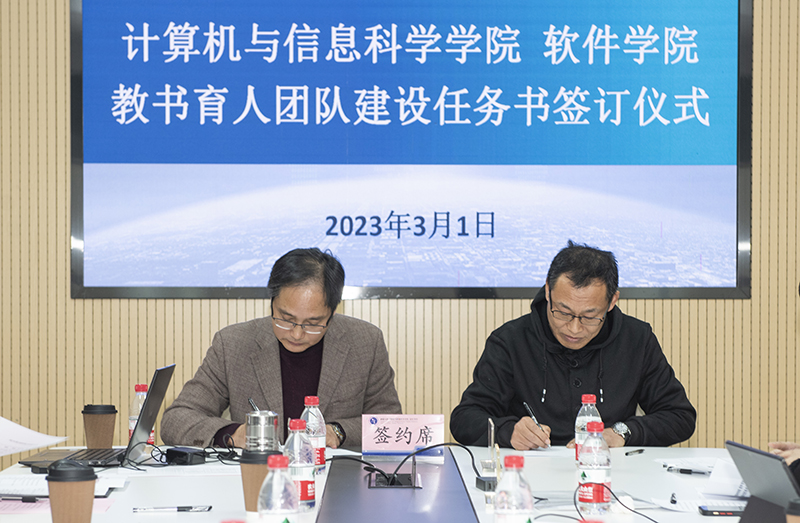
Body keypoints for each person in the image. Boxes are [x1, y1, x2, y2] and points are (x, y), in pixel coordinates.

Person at [450, 240, 696, 450]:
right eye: (563, 312)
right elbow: (464, 419)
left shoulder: (636, 339)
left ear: (612, 301)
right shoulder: (511, 340)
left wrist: (621, 432)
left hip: (609, 473)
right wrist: (509, 431)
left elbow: (680, 417)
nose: (574, 329)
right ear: (548, 292)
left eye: (590, 316)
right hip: (531, 474)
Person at [161, 247, 402, 449]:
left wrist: (339, 432)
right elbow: (176, 420)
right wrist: (234, 434)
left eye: (313, 323)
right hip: (258, 481)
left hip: (337, 480)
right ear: (272, 302)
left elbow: (391, 424)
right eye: (286, 319)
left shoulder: (365, 342)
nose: (297, 334)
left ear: (332, 313)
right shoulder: (233, 344)